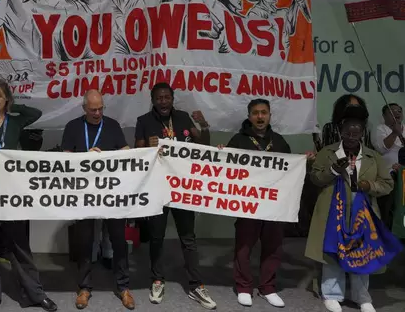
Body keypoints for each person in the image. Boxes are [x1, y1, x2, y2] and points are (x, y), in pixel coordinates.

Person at [0, 78, 56, 312]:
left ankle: (34, 294)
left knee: (19, 244)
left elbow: (35, 113)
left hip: (12, 192)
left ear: (6, 99)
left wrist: (14, 107)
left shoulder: (16, 122)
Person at [134, 83, 216, 309]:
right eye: (159, 98)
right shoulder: (144, 121)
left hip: (183, 189)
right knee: (157, 238)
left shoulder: (183, 118)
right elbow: (136, 151)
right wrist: (148, 148)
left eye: (167, 97)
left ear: (172, 98)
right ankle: (157, 279)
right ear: (153, 100)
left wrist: (204, 125)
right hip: (158, 188)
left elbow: (203, 145)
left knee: (188, 238)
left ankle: (196, 284)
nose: (163, 101)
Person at [306, 104, 393, 312]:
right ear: (340, 132)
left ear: (363, 134)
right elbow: (315, 179)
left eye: (356, 133)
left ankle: (362, 297)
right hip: (332, 211)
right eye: (348, 133)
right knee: (333, 252)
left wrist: (369, 186)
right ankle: (332, 294)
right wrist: (333, 171)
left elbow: (388, 184)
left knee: (362, 253)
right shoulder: (327, 153)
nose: (352, 137)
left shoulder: (374, 156)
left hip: (363, 212)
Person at [61, 89, 134, 310]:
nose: (97, 113)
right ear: (84, 109)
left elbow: (125, 151)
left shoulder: (112, 125)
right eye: (93, 109)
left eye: (101, 108)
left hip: (111, 194)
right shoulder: (73, 127)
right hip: (84, 194)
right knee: (84, 241)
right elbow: (63, 158)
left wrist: (134, 154)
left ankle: (123, 287)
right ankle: (84, 287)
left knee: (119, 240)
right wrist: (85, 157)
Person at [223, 98, 292, 308]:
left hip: (274, 205)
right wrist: (221, 154)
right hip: (248, 203)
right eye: (255, 113)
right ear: (249, 116)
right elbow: (226, 170)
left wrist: (304, 160)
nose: (260, 117)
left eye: (264, 112)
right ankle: (244, 287)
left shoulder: (279, 141)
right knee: (244, 247)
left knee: (273, 246)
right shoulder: (238, 140)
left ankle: (267, 287)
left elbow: (290, 170)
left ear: (270, 115)